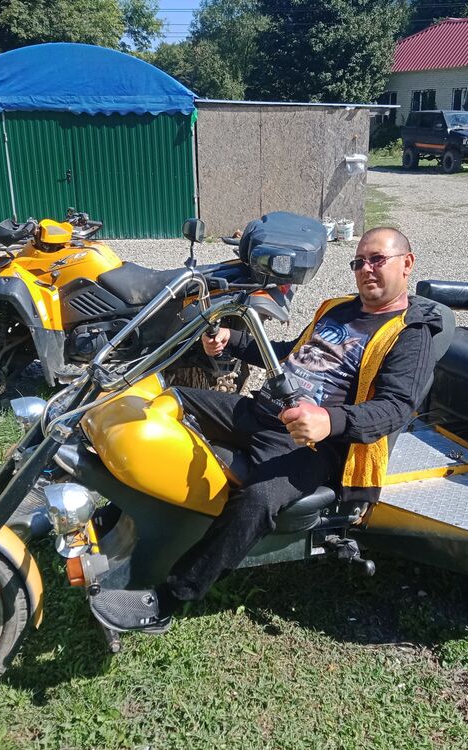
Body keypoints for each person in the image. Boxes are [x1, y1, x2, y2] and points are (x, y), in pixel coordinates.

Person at [90, 226, 443, 631]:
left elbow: (395, 408)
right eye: (359, 261)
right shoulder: (338, 309)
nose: (366, 269)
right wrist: (232, 340)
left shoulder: (410, 334)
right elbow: (288, 355)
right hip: (261, 410)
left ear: (407, 263)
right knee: (170, 399)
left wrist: (328, 421)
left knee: (257, 500)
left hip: (310, 442)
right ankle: (120, 511)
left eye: (377, 259)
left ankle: (170, 597)